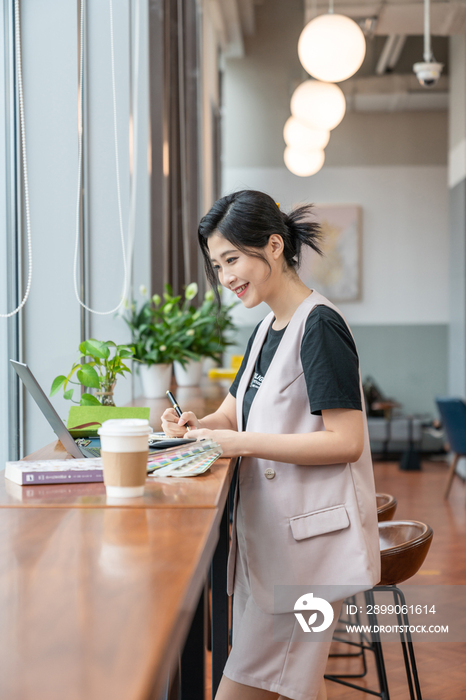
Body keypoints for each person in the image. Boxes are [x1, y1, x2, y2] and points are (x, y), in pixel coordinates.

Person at [161, 190, 380, 700]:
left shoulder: (320, 326)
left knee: (247, 689)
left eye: (233, 259)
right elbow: (235, 411)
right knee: (291, 687)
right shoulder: (266, 329)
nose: (226, 277)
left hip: (307, 557)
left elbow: (346, 442)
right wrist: (197, 424)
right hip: (275, 547)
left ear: (275, 246)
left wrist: (236, 442)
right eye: (217, 266)